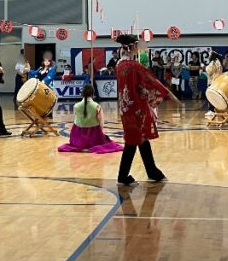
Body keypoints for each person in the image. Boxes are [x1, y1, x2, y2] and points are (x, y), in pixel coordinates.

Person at [115, 34, 176, 185]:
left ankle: (152, 172)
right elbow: (151, 81)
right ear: (133, 47)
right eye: (137, 45)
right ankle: (123, 177)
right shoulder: (134, 66)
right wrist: (168, 94)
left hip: (125, 107)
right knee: (133, 141)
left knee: (140, 139)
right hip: (136, 107)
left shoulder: (119, 65)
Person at [58, 84, 122, 154]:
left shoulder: (76, 106)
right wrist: (101, 133)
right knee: (107, 141)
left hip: (78, 137)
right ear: (92, 94)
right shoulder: (97, 106)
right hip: (93, 135)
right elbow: (101, 123)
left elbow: (76, 121)